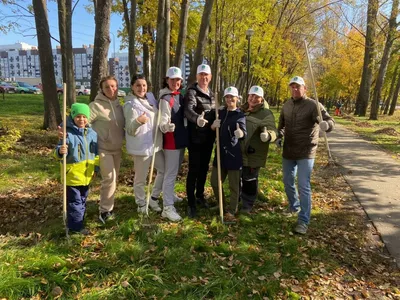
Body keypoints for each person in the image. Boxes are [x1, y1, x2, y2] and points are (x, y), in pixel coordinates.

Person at [277, 76, 335, 234]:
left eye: (298, 87)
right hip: (289, 150)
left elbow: (330, 121)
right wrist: (279, 135)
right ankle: (293, 206)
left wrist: (326, 125)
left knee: (303, 185)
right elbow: (282, 126)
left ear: (305, 88)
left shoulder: (313, 105)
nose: (295, 89)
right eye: (292, 87)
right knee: (287, 181)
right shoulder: (286, 105)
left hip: (306, 151)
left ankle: (303, 220)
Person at [54, 103, 99, 235]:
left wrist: (95, 169)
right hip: (72, 175)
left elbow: (95, 153)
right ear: (72, 117)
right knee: (75, 202)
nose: (81, 119)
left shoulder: (92, 134)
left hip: (86, 175)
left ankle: (76, 220)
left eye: (84, 117)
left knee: (83, 200)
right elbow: (57, 152)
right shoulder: (66, 134)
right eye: (78, 116)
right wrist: (60, 151)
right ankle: (76, 227)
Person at [123, 75, 164, 214]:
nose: (142, 88)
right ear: (132, 87)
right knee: (141, 178)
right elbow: (129, 129)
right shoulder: (130, 104)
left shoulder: (150, 99)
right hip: (141, 146)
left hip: (154, 144)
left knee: (163, 170)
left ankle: (152, 197)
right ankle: (141, 203)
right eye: (138, 85)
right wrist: (138, 121)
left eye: (144, 85)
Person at [90, 76, 125, 224]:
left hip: (117, 149)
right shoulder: (95, 106)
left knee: (113, 179)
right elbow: (82, 121)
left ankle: (109, 205)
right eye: (107, 87)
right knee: (109, 179)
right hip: (103, 148)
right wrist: (64, 128)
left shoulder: (119, 104)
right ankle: (105, 211)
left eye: (113, 86)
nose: (111, 89)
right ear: (102, 89)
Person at [184, 64, 216, 218]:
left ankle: (200, 195)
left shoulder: (212, 93)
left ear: (210, 77)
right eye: (201, 75)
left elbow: (216, 111)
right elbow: (188, 110)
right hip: (196, 138)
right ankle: (190, 203)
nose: (204, 78)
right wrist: (197, 119)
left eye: (206, 75)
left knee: (204, 169)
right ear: (197, 76)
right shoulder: (191, 92)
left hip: (209, 138)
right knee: (194, 170)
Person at [240, 85, 278, 214]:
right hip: (239, 152)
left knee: (249, 179)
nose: (253, 99)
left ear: (261, 99)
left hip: (253, 153)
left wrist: (268, 136)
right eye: (251, 96)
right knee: (239, 177)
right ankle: (239, 199)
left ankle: (248, 203)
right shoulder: (242, 110)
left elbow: (273, 129)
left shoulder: (265, 113)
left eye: (257, 97)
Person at [210, 87, 246, 221]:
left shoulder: (240, 115)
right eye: (227, 97)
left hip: (233, 154)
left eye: (232, 97)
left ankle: (232, 209)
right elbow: (211, 129)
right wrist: (214, 126)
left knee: (233, 185)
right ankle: (221, 204)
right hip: (220, 153)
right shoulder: (220, 112)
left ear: (237, 98)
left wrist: (240, 133)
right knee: (214, 181)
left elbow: (243, 131)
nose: (229, 99)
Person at [158, 67, 188, 221]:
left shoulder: (180, 96)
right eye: (172, 79)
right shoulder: (166, 98)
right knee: (170, 174)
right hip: (171, 141)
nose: (175, 82)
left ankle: (170, 195)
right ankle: (167, 207)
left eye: (178, 80)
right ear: (167, 80)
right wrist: (166, 127)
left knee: (174, 172)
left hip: (181, 139)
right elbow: (162, 121)